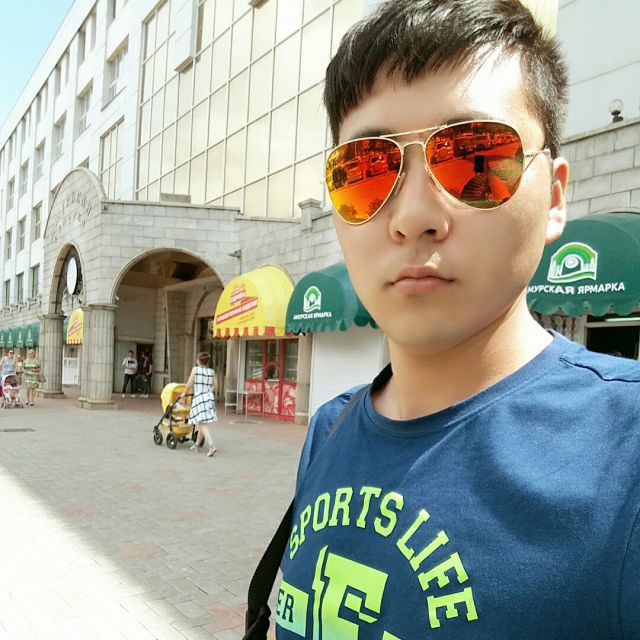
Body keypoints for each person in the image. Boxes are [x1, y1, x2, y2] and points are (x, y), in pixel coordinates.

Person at [274, 2, 640, 639]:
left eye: (475, 159)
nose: (413, 215)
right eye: (366, 170)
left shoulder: (624, 451)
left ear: (554, 197)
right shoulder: (330, 428)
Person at [179, 352, 217, 457]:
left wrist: (184, 394)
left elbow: (189, 383)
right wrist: (207, 391)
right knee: (202, 422)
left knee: (202, 423)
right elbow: (215, 386)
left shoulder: (195, 369)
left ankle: (212, 446)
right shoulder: (211, 371)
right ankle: (196, 445)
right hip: (209, 398)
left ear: (199, 361)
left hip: (199, 398)